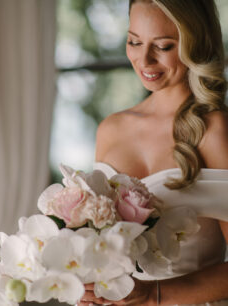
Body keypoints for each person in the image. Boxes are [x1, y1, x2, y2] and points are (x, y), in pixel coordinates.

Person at [79, 0, 228, 305]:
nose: (144, 60)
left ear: (195, 44)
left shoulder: (214, 131)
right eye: (134, 41)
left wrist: (153, 296)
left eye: (163, 46)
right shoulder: (111, 129)